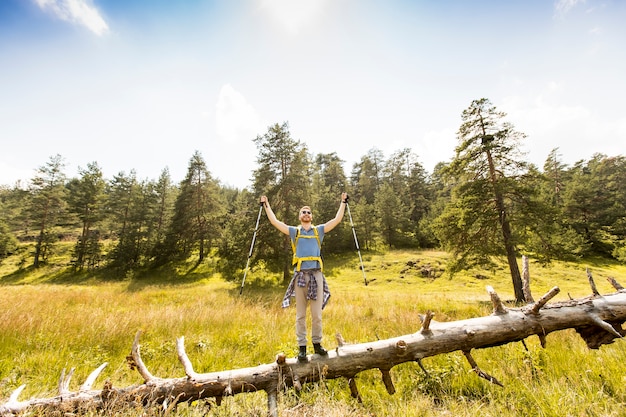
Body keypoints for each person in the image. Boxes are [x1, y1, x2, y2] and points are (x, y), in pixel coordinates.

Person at [260, 192, 348, 362]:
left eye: (308, 212)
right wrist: (266, 204)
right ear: (299, 217)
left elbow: (337, 220)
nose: (306, 214)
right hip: (300, 276)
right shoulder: (294, 232)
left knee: (317, 314)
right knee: (300, 315)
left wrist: (343, 202)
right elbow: (274, 221)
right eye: (303, 212)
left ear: (311, 216)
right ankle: (302, 348)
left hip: (317, 276)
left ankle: (317, 344)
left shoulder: (319, 230)